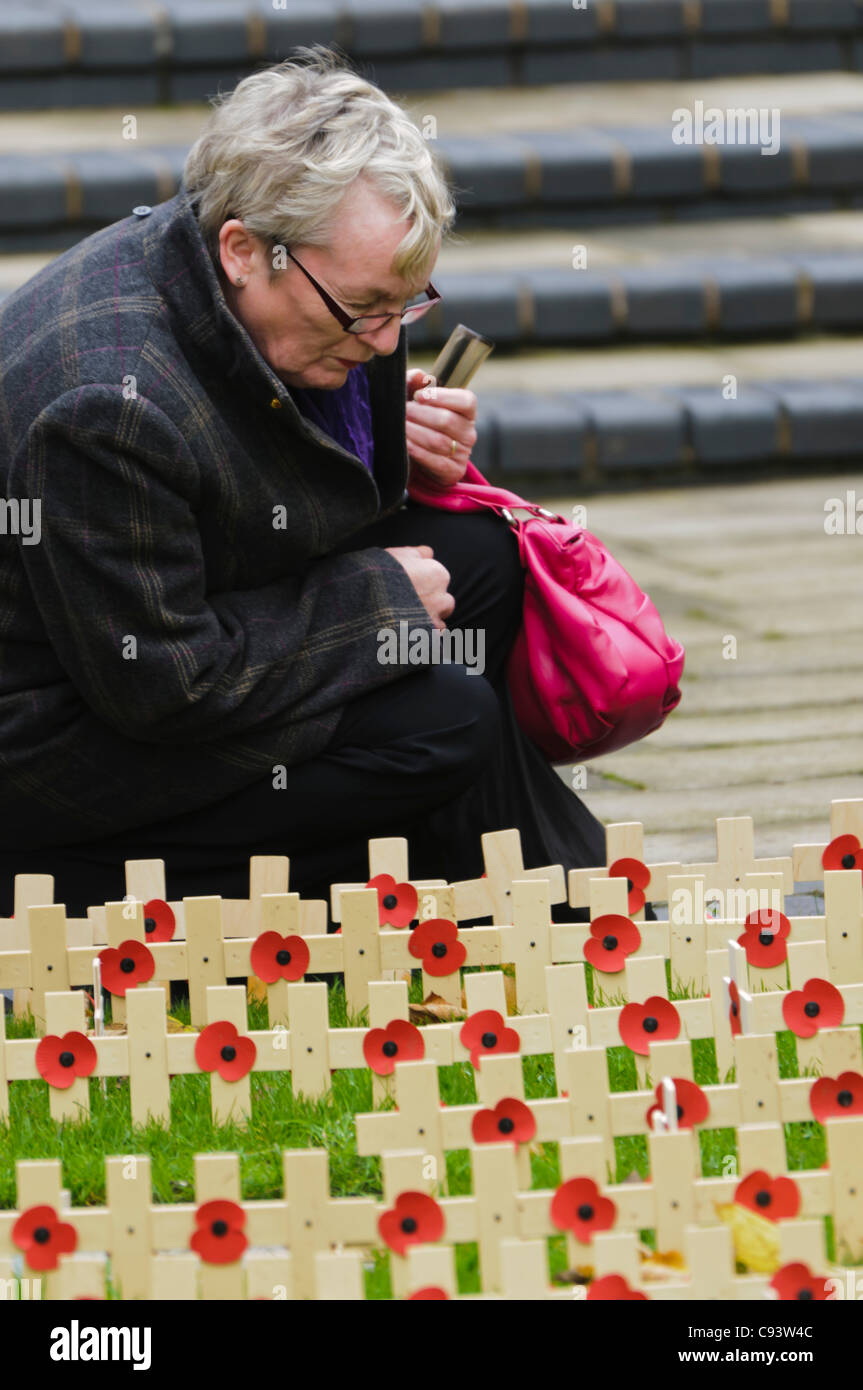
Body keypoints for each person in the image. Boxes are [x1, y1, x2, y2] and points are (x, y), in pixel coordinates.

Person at [0, 48, 607, 923]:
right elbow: (164, 686)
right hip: (57, 744)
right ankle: (102, 890)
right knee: (445, 720)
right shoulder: (109, 404)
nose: (383, 337)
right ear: (247, 250)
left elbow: (236, 465)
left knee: (478, 564)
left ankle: (526, 888)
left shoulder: (229, 273)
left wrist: (375, 430)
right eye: (362, 309)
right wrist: (374, 603)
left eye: (408, 304)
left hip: (160, 640)